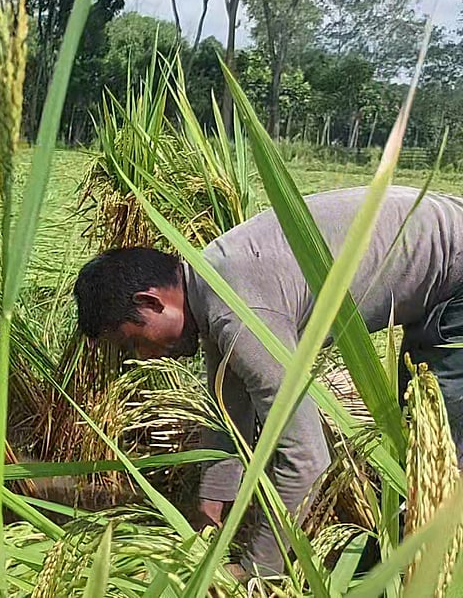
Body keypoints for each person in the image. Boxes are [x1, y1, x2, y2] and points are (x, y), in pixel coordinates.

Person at [72, 185, 463, 578]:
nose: (143, 355)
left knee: (438, 454)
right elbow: (228, 408)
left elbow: (307, 457)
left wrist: (257, 570)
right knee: (415, 435)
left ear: (151, 302)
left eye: (134, 341)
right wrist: (210, 506)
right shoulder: (211, 281)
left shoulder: (239, 312)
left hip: (456, 274)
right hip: (439, 260)